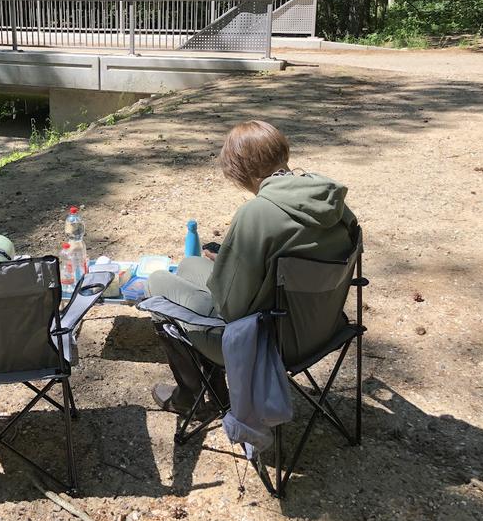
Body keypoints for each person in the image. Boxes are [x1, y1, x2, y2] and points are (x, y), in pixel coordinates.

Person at [148, 120, 358, 418]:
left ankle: (189, 396)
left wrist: (227, 271)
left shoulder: (257, 214)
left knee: (156, 282)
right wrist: (228, 263)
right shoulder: (331, 200)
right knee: (189, 264)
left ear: (240, 172)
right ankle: (214, 389)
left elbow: (229, 308)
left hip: (266, 343)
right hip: (322, 327)